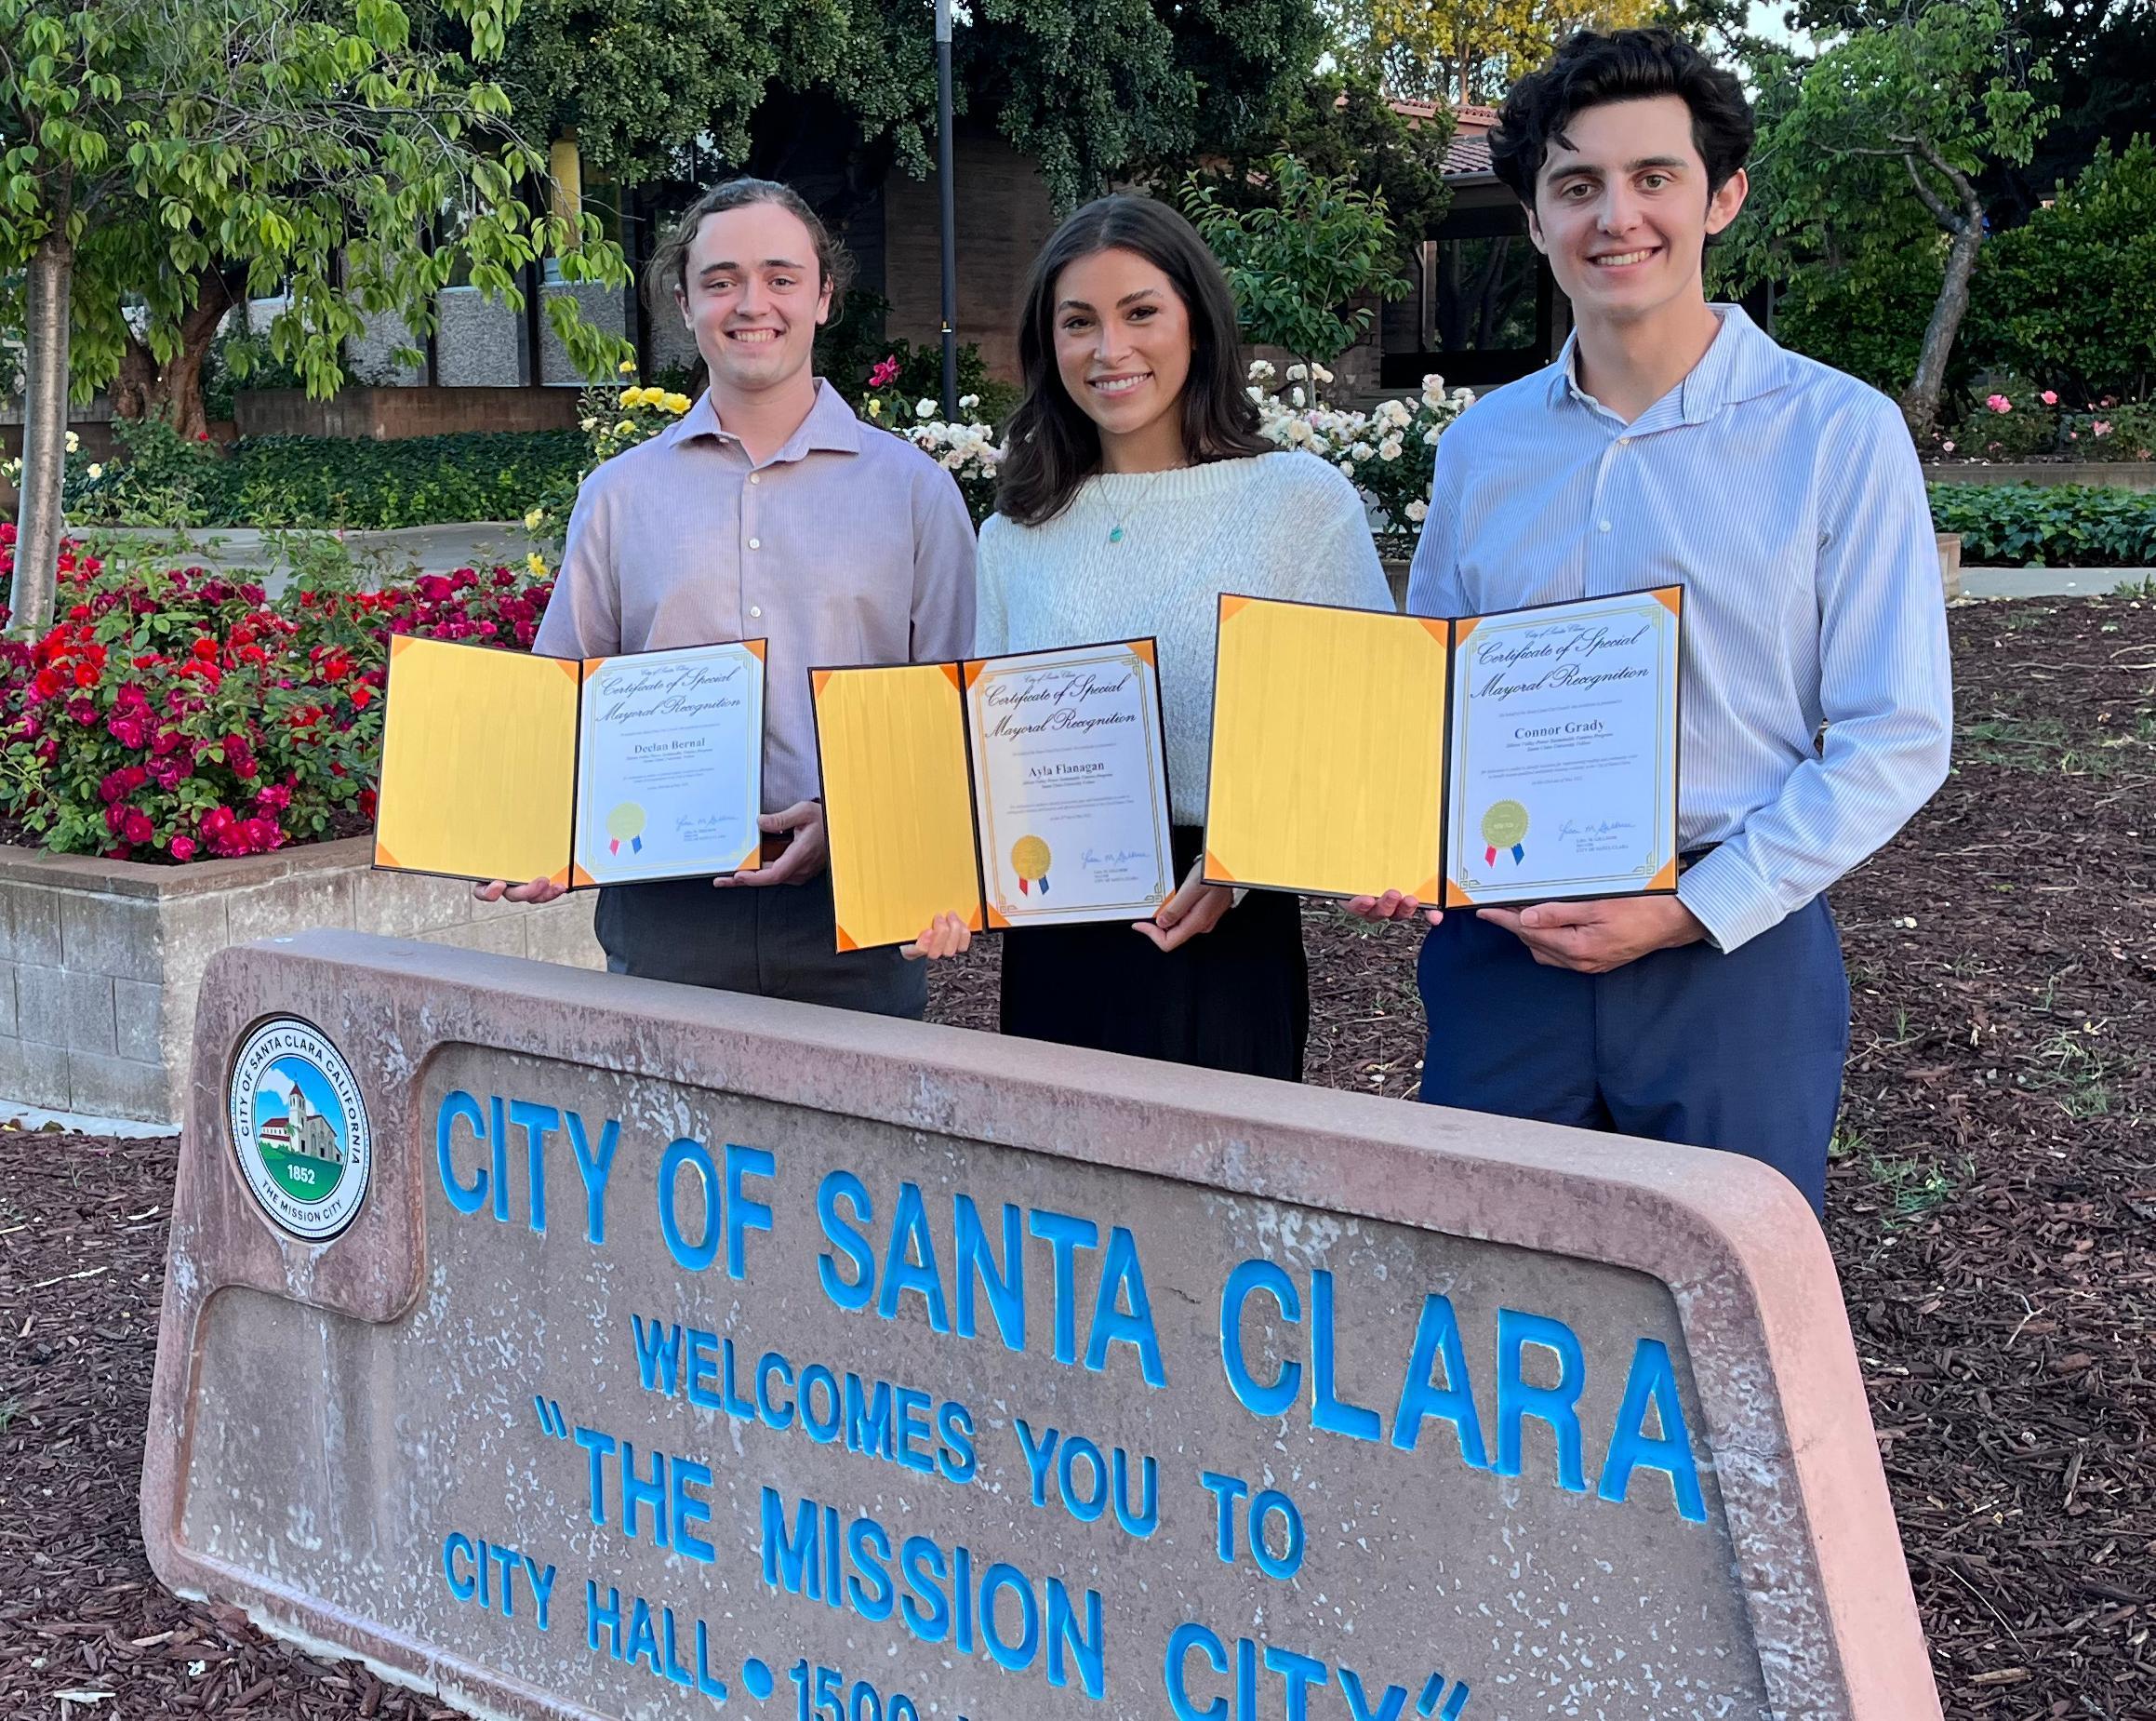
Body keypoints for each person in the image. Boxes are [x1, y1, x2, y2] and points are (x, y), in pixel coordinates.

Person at [1351, 28, 1952, 1215]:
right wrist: (1389, 834)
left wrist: (1692, 904)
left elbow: (1893, 731)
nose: (1613, 217)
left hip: (1730, 955)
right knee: (1488, 1293)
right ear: (1531, 219)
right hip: (1502, 953)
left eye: (1651, 178)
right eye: (1575, 187)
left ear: (1720, 196)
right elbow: (1429, 698)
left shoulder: (1836, 432)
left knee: (1721, 1324)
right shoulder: (1481, 448)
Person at [908, 195, 1394, 1080]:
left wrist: (1242, 867)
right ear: (1048, 345)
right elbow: (980, 753)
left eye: (1141, 313)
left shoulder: (1297, 503)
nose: (1110, 350)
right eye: (1079, 322)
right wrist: (928, 877)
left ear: (1197, 326)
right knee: (1057, 1206)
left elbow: (1371, 735)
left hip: (1221, 931)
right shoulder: (1017, 531)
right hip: (1055, 933)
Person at [477, 179, 977, 1018]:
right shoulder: (619, 496)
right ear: (685, 301)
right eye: (721, 281)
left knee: (854, 1148)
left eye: (782, 277)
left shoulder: (916, 494)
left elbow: (954, 701)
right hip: (666, 908)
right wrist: (526, 826)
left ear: (824, 297)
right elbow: (560, 695)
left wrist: (880, 835)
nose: (753, 303)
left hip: (855, 909)